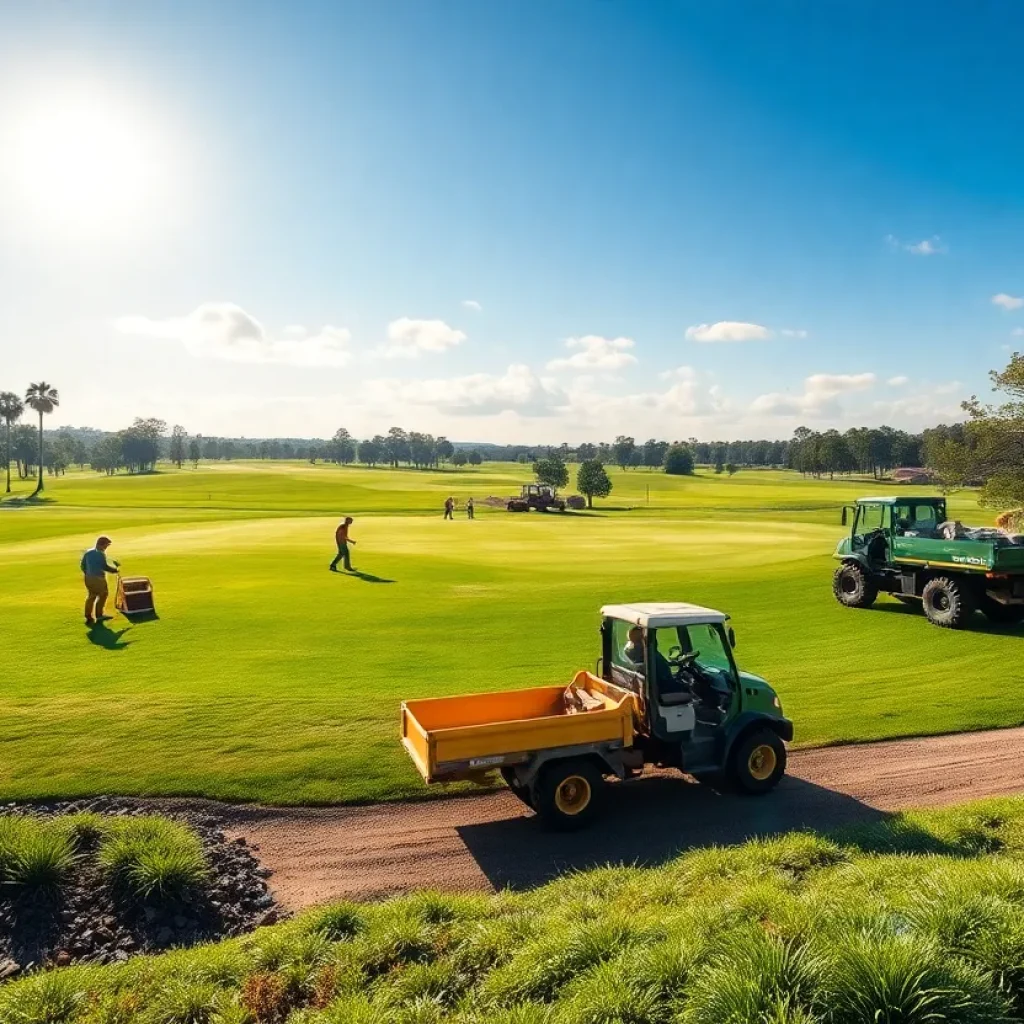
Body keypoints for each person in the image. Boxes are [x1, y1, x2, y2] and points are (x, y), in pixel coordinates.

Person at [81, 535, 119, 627]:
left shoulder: (88, 552)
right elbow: (104, 566)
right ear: (101, 545)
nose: (106, 548)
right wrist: (115, 570)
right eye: (106, 545)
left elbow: (82, 566)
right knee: (103, 594)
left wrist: (88, 574)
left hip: (88, 578)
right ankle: (99, 615)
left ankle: (88, 617)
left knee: (91, 595)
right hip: (98, 578)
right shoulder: (100, 554)